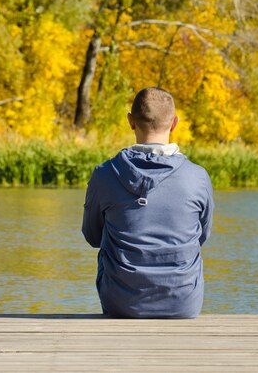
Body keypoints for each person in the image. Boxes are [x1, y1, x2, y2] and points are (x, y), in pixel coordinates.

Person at [81, 86, 214, 318]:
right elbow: (201, 236)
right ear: (174, 123)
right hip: (183, 303)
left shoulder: (104, 174)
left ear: (131, 121)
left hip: (121, 303)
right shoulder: (198, 177)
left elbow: (92, 236)